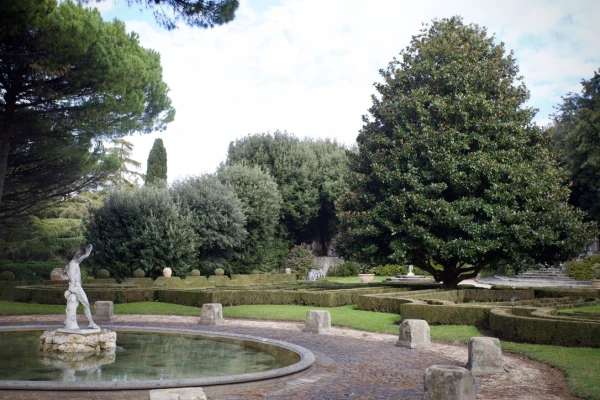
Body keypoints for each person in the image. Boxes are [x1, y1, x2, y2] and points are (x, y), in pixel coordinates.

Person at [62, 244, 99, 329]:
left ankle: (66, 320)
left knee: (76, 303)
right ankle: (91, 323)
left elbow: (63, 276)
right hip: (76, 288)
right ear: (77, 256)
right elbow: (85, 256)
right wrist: (89, 249)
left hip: (73, 287)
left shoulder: (71, 264)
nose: (80, 257)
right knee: (86, 303)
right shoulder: (74, 263)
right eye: (79, 255)